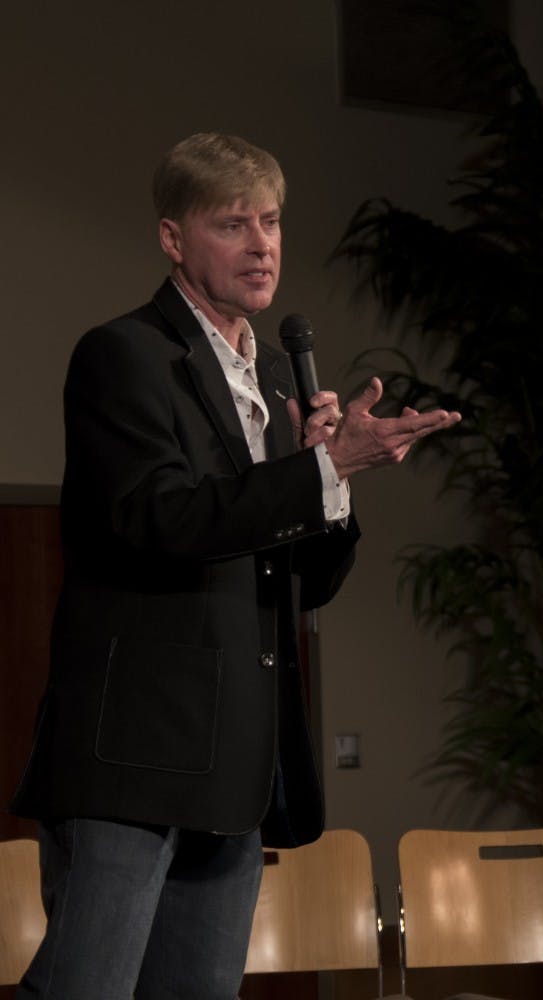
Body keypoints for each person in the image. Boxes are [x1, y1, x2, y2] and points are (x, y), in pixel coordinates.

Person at [10, 132, 461, 1000]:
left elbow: (302, 585)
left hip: (237, 765)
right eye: (232, 225)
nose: (262, 246)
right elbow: (159, 520)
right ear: (174, 239)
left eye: (273, 222)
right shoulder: (126, 356)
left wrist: (330, 478)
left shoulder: (264, 376)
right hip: (135, 760)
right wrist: (317, 473)